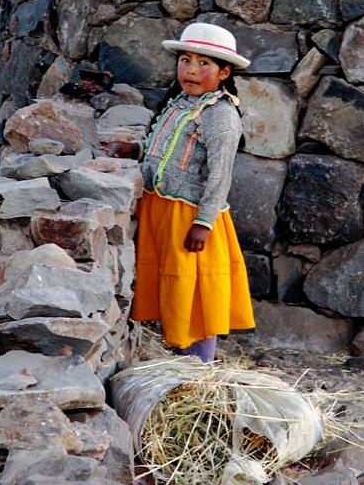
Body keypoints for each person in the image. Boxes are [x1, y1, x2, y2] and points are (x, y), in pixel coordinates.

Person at [106, 22, 255, 363]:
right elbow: (166, 151)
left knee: (196, 293)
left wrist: (204, 222)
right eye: (186, 60)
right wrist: (136, 151)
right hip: (160, 209)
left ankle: (199, 368)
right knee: (172, 288)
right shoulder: (180, 104)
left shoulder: (221, 116)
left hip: (190, 217)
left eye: (204, 64)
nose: (191, 70)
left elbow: (220, 175)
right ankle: (176, 356)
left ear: (224, 72)